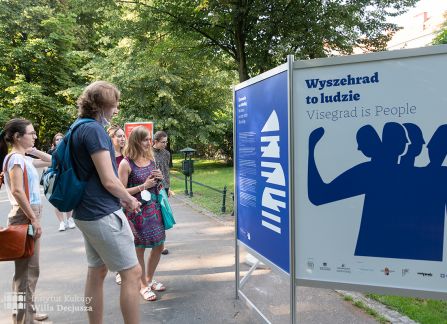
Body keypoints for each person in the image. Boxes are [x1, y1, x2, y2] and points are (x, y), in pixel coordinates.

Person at [70, 81, 142, 324]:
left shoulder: (77, 127)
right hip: (102, 213)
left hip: (85, 212)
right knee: (132, 273)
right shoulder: (94, 130)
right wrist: (130, 199)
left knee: (97, 271)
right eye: (114, 104)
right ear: (100, 106)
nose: (117, 109)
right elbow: (110, 180)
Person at [0, 118, 52, 323]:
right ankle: (23, 319)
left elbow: (53, 160)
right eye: (31, 133)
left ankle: (25, 311)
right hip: (25, 214)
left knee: (27, 271)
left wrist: (32, 150)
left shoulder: (23, 158)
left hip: (28, 213)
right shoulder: (15, 160)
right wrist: (34, 219)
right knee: (27, 272)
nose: (35, 136)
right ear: (17, 137)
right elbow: (17, 191)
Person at [118, 126, 166, 302]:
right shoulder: (126, 163)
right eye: (146, 139)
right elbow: (120, 191)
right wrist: (143, 186)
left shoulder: (150, 159)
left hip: (154, 209)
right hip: (136, 212)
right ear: (137, 141)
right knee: (139, 249)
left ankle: (149, 279)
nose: (149, 142)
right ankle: (143, 285)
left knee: (159, 246)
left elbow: (156, 185)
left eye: (150, 139)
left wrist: (159, 179)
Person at [107, 125, 127, 285]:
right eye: (118, 136)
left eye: (123, 136)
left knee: (128, 236)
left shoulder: (127, 155)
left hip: (127, 197)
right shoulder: (106, 156)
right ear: (111, 138)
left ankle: (128, 267)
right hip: (112, 198)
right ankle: (119, 271)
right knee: (117, 237)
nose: (122, 139)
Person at [47, 133, 75, 231]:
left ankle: (69, 219)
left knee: (68, 198)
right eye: (57, 139)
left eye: (61, 139)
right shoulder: (51, 152)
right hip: (55, 179)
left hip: (66, 178)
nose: (59, 141)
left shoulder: (68, 151)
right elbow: (47, 165)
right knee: (57, 201)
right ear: (54, 142)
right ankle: (61, 222)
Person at [152, 130, 172, 255]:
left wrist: (168, 187)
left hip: (163, 187)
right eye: (163, 142)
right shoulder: (148, 153)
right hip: (153, 187)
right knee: (155, 215)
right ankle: (154, 241)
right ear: (155, 142)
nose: (165, 144)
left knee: (163, 215)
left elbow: (166, 171)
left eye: (166, 142)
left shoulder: (167, 154)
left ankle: (162, 245)